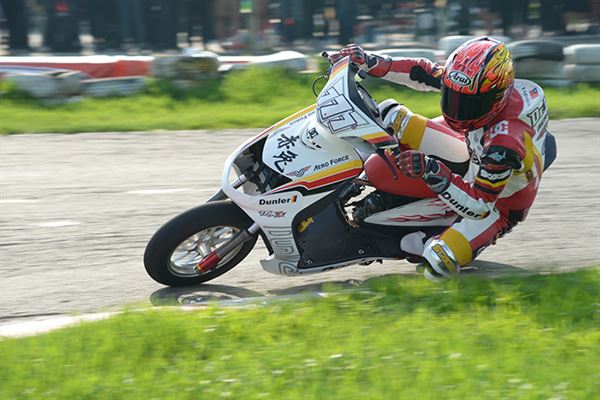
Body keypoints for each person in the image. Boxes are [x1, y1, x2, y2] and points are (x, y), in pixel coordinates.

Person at [329, 37, 556, 281]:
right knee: (391, 117)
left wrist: (432, 170)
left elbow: (479, 205)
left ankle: (423, 239)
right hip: (472, 150)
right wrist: (370, 61)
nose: (458, 109)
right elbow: (422, 71)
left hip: (496, 204)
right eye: (452, 96)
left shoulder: (505, 143)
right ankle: (341, 175)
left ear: (497, 98)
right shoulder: (474, 85)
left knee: (438, 262)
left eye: (469, 103)